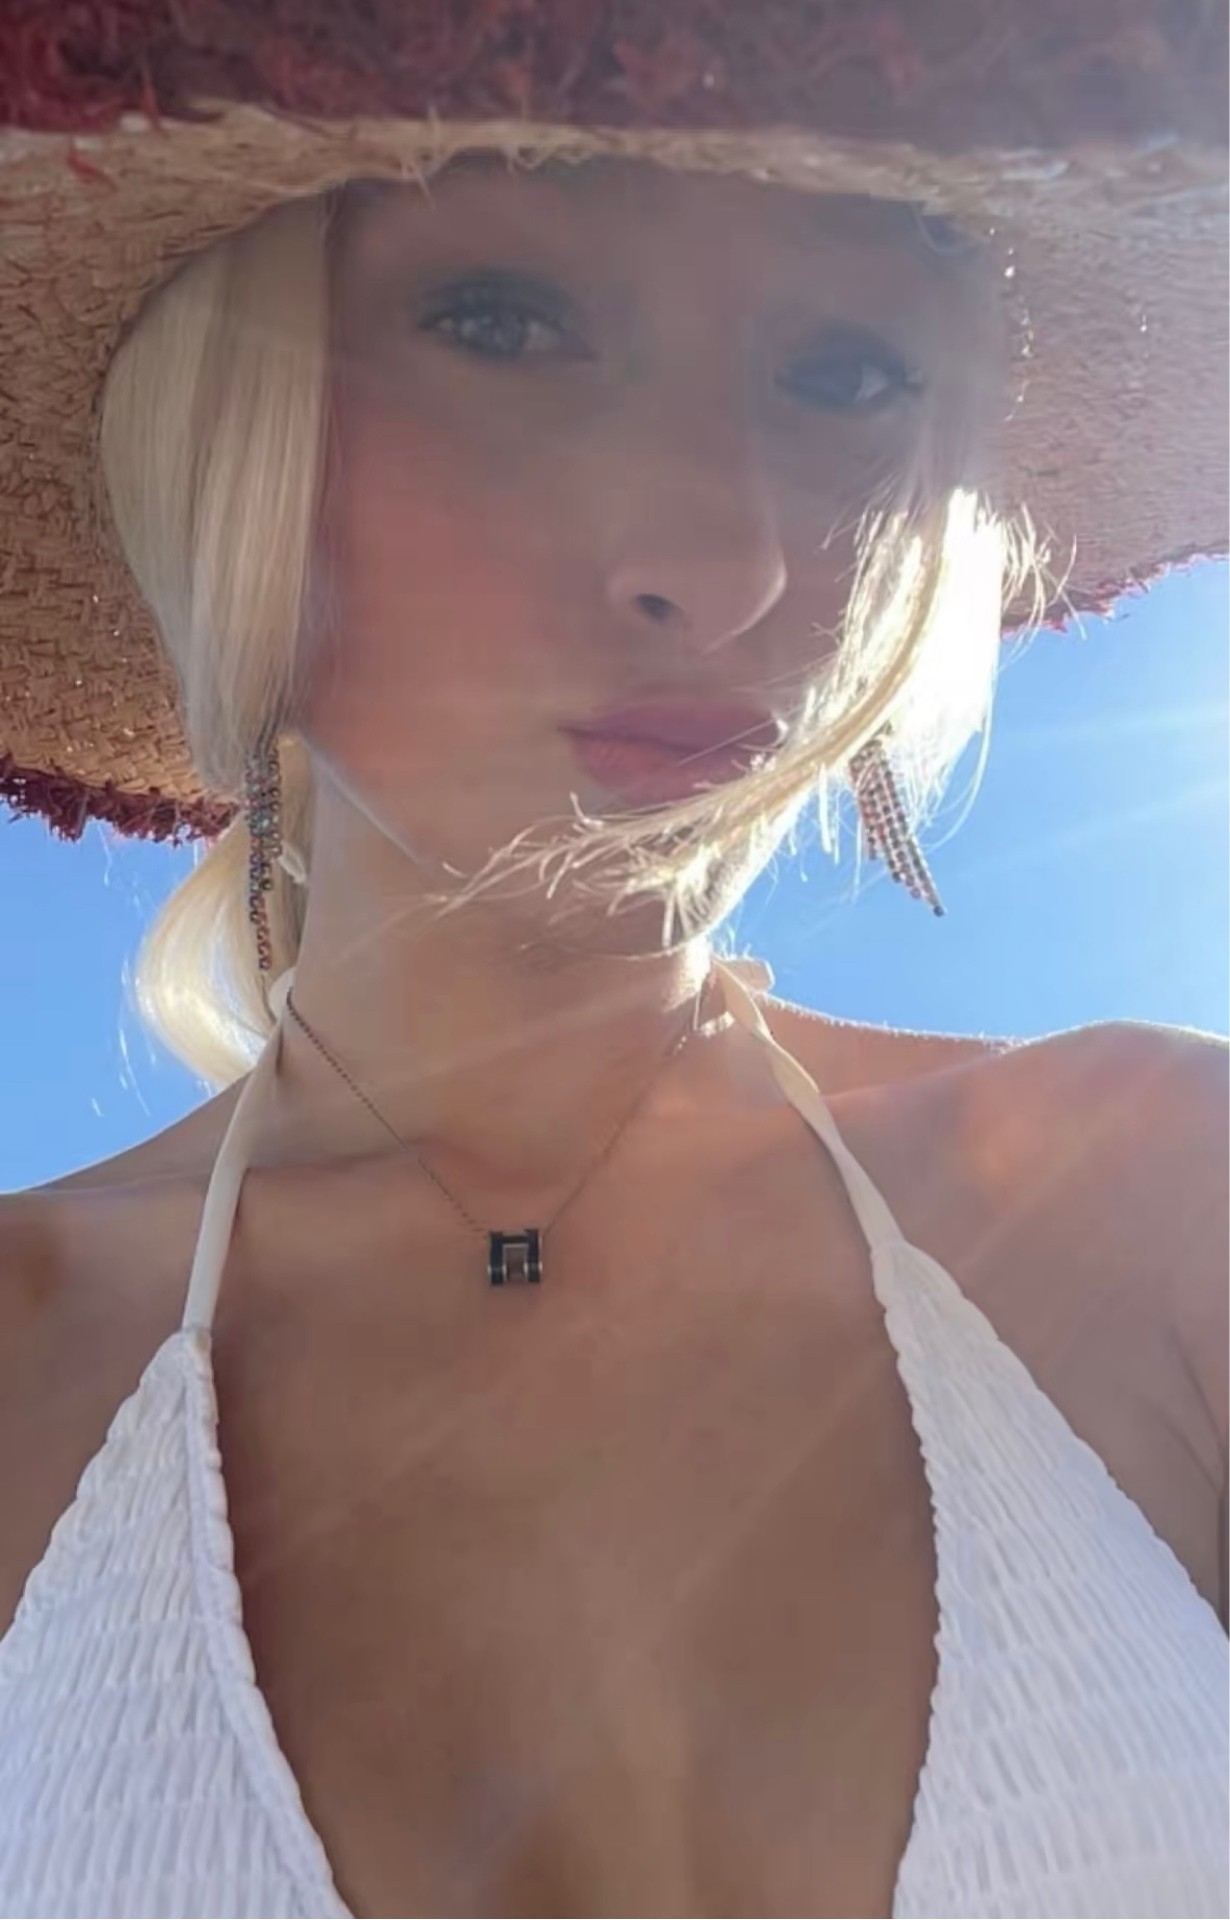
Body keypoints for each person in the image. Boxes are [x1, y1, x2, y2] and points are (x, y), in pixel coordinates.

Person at [0, 5, 1226, 1917]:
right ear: (225, 428)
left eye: (845, 370)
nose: (725, 560)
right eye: (502, 322)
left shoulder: (1160, 1197)